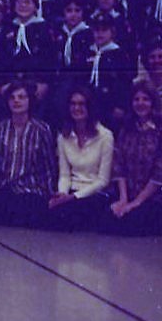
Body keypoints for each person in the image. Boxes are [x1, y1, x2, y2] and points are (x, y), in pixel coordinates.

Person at [106, 82, 162, 236]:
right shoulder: (126, 130)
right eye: (136, 99)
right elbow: (118, 167)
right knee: (108, 220)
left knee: (131, 223)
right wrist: (123, 199)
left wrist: (135, 204)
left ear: (153, 102)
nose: (141, 103)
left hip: (158, 198)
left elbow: (160, 175)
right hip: (130, 195)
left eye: (145, 99)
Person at [0, 80, 55, 228]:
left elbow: (48, 166)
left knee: (28, 211)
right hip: (4, 188)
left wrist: (50, 194)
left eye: (21, 97)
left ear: (29, 101)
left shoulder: (42, 129)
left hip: (31, 189)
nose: (16, 101)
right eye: (12, 98)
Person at [46, 86, 114, 231]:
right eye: (73, 104)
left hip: (95, 193)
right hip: (71, 191)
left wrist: (73, 197)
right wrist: (62, 194)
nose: (76, 108)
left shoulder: (105, 136)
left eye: (81, 104)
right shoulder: (63, 136)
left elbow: (103, 180)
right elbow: (64, 175)